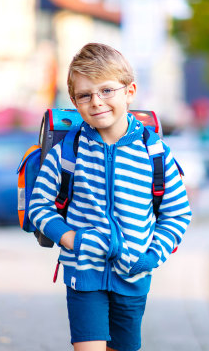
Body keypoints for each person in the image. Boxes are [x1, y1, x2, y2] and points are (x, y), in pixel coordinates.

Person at [28, 43, 192, 351]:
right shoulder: (69, 150)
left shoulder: (154, 153)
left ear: (129, 91)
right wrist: (69, 239)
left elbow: (177, 214)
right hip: (83, 272)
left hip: (134, 276)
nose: (96, 102)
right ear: (75, 101)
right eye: (85, 95)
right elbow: (39, 205)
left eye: (106, 91)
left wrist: (152, 256)